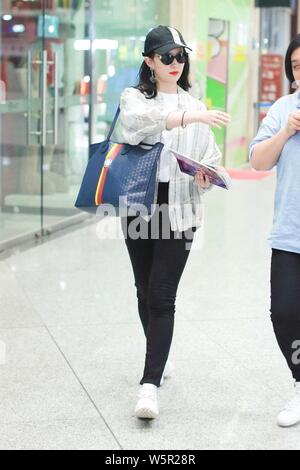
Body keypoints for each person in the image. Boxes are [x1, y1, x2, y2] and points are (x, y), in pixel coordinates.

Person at [119, 25, 230, 419]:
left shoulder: (195, 104)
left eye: (181, 56)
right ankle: (158, 358)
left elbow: (210, 157)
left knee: (163, 295)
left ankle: (149, 384)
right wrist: (186, 116)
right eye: (167, 56)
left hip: (180, 209)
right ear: (149, 61)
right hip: (138, 205)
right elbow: (138, 124)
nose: (175, 63)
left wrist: (206, 177)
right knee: (143, 290)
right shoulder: (134, 97)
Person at [250, 34, 300, 428]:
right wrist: (285, 132)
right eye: (296, 66)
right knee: (283, 313)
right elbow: (258, 162)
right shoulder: (283, 109)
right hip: (290, 233)